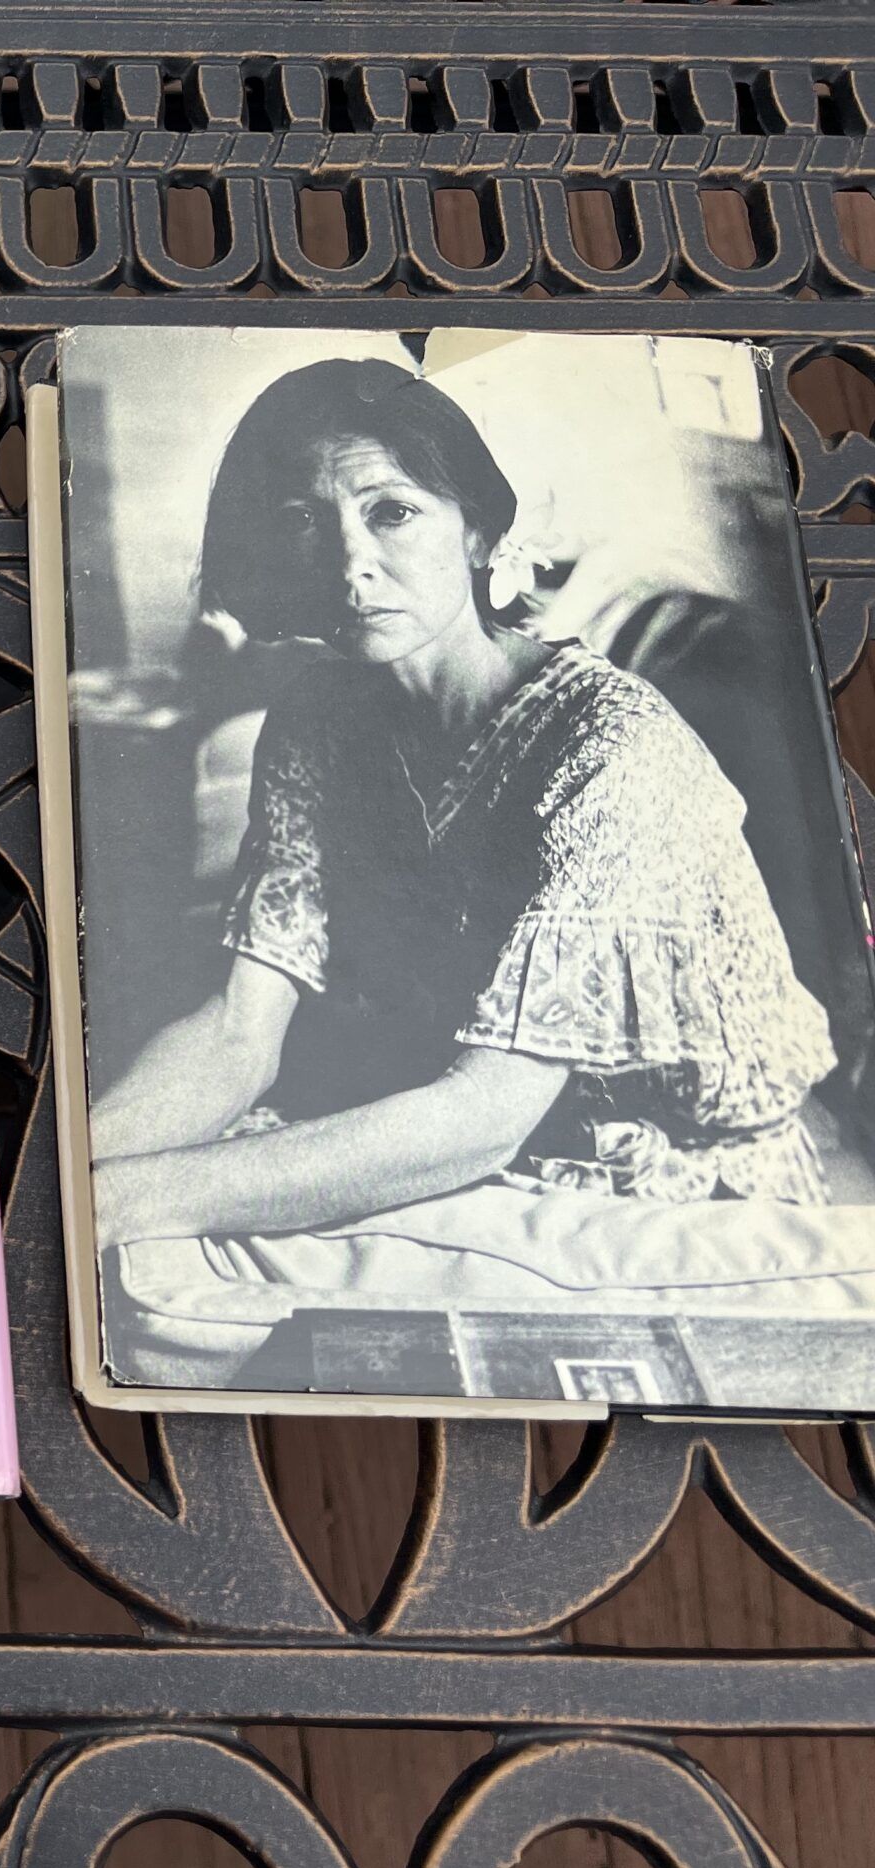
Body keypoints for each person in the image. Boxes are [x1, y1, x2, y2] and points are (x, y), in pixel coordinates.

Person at [92, 357, 837, 1257]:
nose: (350, 563)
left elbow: (488, 1111)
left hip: (670, 1177)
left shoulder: (615, 745)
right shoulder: (314, 718)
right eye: (303, 521)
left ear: (478, 533)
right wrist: (80, 1170)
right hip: (468, 1112)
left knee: (177, 1233)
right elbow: (241, 1029)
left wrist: (135, 1200)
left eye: (392, 511)